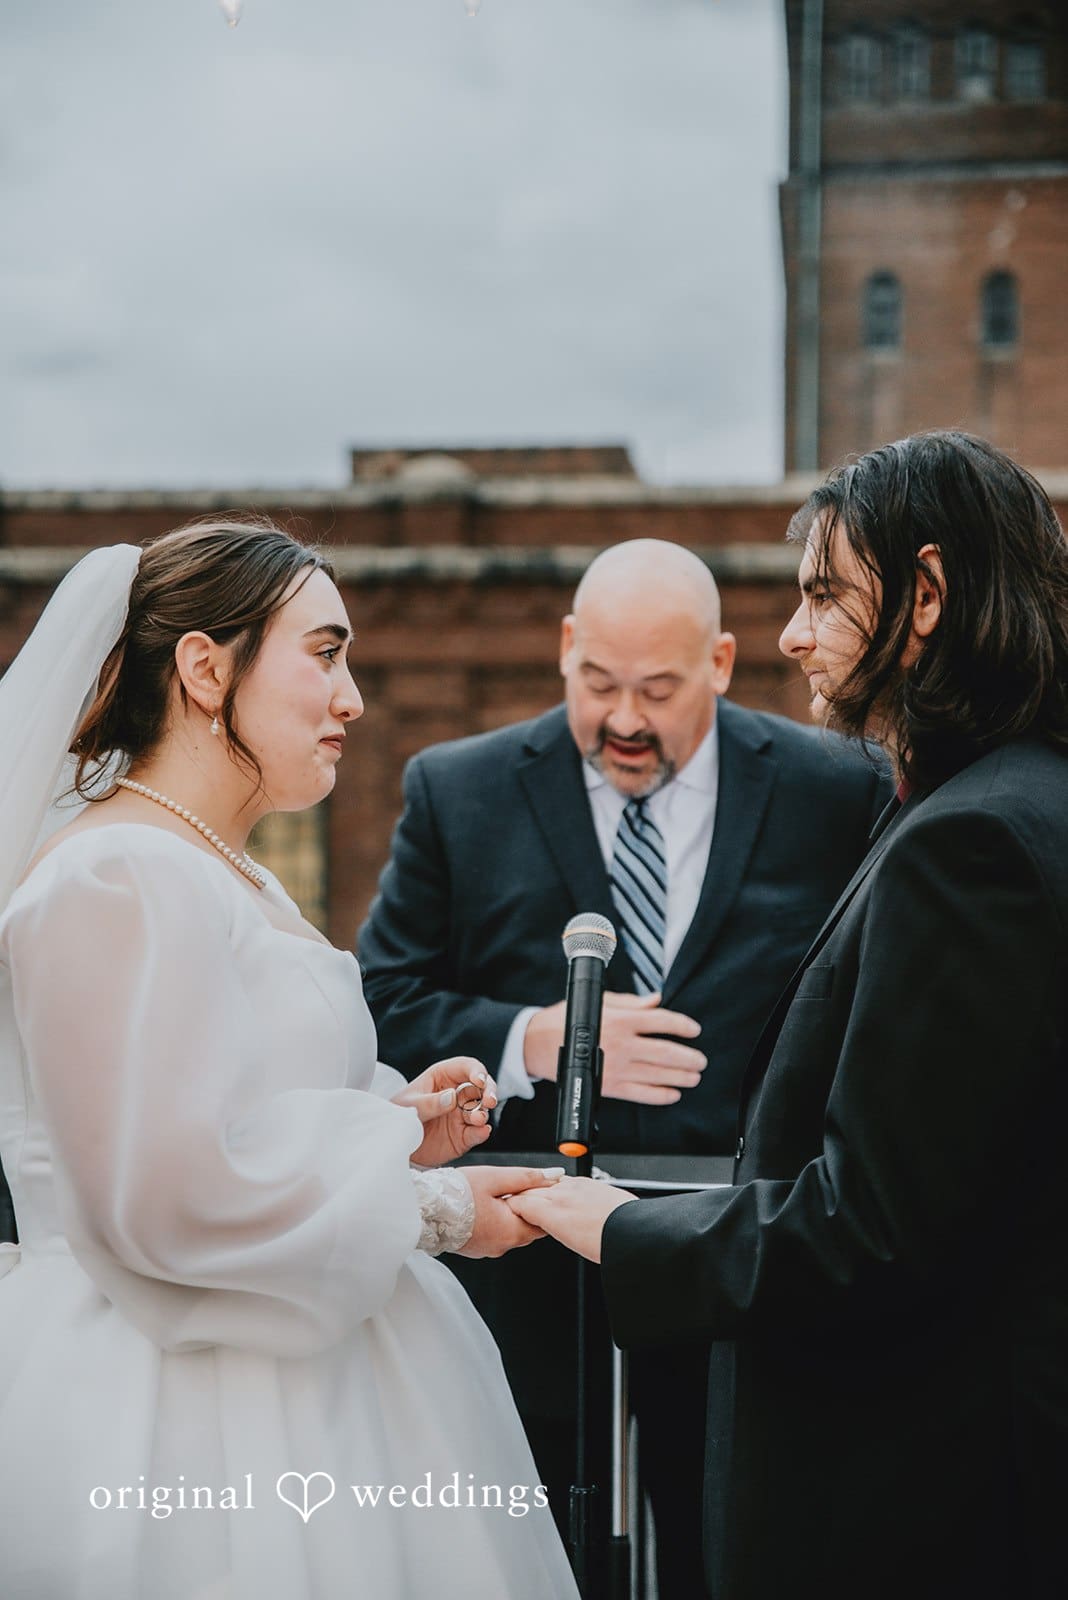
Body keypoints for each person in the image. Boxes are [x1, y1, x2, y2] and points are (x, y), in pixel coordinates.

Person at [510, 431, 1068, 1600]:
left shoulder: (972, 847)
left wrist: (623, 1226)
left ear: (925, 596)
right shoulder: (1014, 803)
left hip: (912, 1512)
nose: (792, 634)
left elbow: (872, 1232)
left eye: (822, 592)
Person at [0, 520, 580, 1600]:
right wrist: (438, 1208)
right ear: (205, 669)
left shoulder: (222, 872)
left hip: (317, 1376)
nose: (352, 697)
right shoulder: (114, 876)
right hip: (173, 1407)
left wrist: (398, 1121)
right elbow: (162, 1193)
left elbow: (235, 1106)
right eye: (324, 652)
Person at [358, 538, 890, 1594]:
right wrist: (532, 1038)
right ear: (565, 651)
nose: (625, 719)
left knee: (725, 1550)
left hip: (735, 1270)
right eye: (598, 684)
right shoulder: (457, 792)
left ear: (724, 663)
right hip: (530, 1280)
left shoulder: (839, 788)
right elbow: (380, 1001)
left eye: (658, 688)